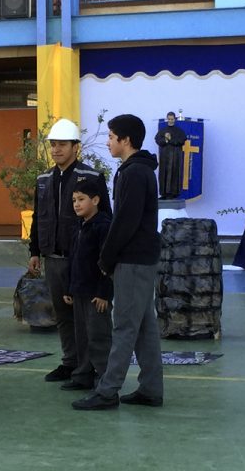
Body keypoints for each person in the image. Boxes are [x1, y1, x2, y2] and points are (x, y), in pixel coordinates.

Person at [72, 114, 163, 411]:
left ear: (125, 140)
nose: (108, 141)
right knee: (145, 326)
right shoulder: (134, 171)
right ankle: (150, 388)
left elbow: (125, 221)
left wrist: (106, 258)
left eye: (112, 136)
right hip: (140, 258)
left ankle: (108, 390)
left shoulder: (135, 173)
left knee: (124, 326)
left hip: (133, 260)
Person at [28, 118, 111, 383]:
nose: (56, 150)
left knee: (86, 318)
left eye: (62, 144)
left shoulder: (91, 178)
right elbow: (38, 218)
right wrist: (34, 251)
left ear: (76, 147)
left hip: (84, 261)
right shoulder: (43, 180)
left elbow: (105, 219)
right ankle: (70, 362)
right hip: (53, 258)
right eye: (53, 145)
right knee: (62, 315)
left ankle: (89, 368)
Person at [60, 181, 113, 392]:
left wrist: (104, 293)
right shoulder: (79, 226)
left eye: (81, 199)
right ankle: (83, 375)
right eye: (74, 200)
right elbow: (72, 259)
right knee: (81, 335)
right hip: (79, 290)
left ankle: (106, 378)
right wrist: (68, 288)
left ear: (96, 200)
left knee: (99, 335)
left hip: (95, 294)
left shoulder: (103, 226)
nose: (76, 204)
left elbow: (108, 263)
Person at [154, 111, 187, 200]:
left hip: (176, 157)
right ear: (167, 119)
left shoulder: (179, 131)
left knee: (174, 174)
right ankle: (164, 193)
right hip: (164, 157)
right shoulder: (163, 131)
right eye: (169, 119)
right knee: (164, 174)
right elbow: (157, 140)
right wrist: (166, 140)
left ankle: (173, 193)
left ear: (175, 119)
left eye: (172, 119)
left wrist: (170, 139)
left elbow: (182, 140)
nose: (170, 121)